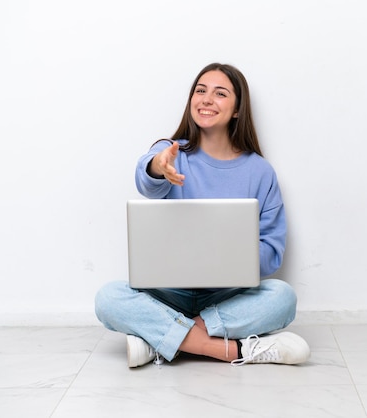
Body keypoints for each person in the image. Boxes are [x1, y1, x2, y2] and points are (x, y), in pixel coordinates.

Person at [95, 63, 310, 368]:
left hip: (225, 297)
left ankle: (161, 341)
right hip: (167, 293)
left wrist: (224, 253)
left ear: (237, 109)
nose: (206, 99)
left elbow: (272, 254)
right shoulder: (169, 152)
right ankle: (232, 351)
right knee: (108, 298)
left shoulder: (259, 172)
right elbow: (147, 178)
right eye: (200, 91)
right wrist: (159, 166)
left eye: (220, 93)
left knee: (283, 298)